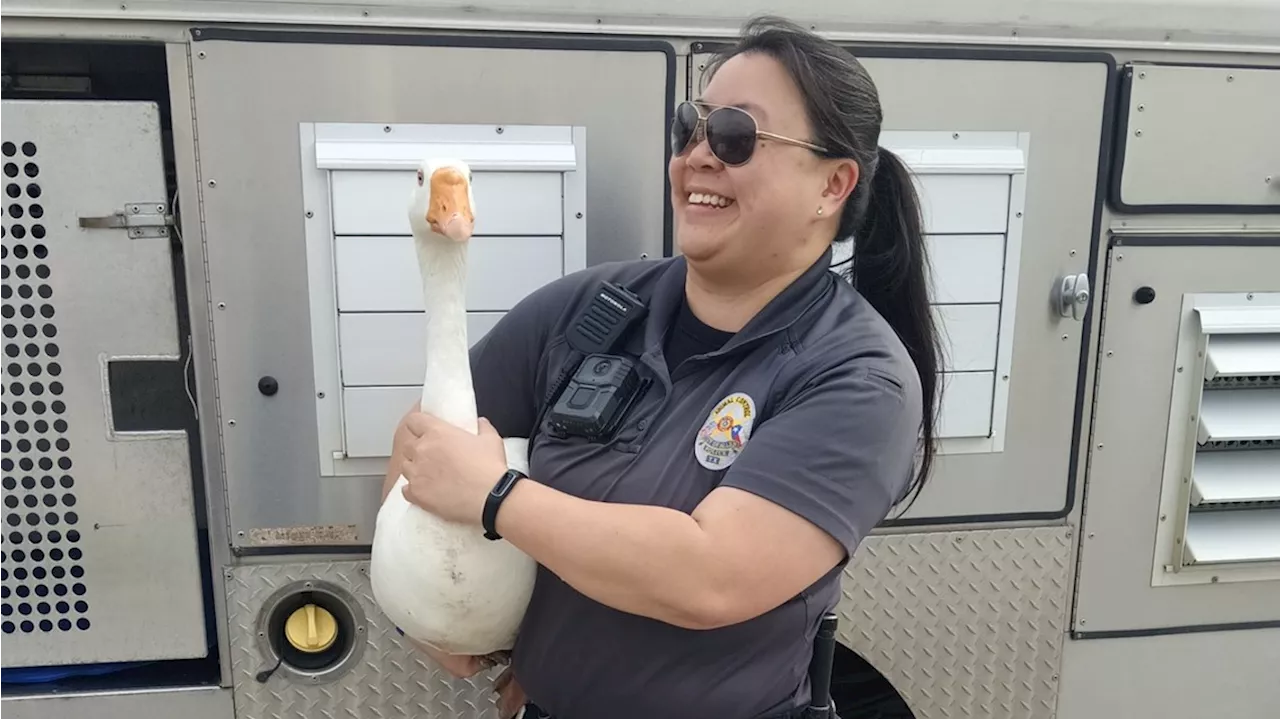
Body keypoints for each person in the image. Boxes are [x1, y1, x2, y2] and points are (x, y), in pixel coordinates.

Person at [381, 14, 941, 719]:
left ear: (833, 186)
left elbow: (710, 576)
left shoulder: (857, 377)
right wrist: (431, 612)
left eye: (736, 135)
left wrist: (495, 497)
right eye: (691, 128)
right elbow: (424, 444)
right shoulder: (591, 308)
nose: (699, 155)